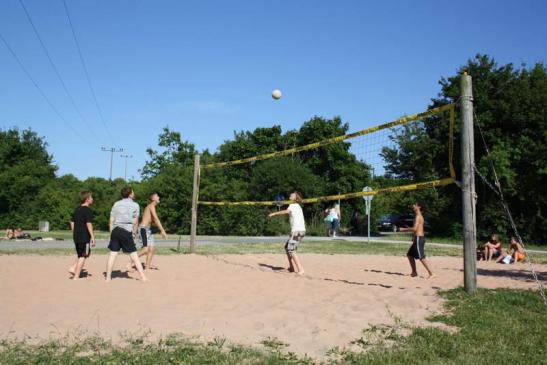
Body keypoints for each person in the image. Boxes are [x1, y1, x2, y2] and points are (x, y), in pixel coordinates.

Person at [105, 186, 147, 282]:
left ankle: (108, 278)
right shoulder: (135, 205)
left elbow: (111, 220)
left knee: (113, 254)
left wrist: (111, 232)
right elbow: (136, 222)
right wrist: (135, 233)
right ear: (130, 194)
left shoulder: (116, 204)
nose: (134, 193)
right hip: (126, 230)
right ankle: (143, 277)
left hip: (115, 230)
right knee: (134, 255)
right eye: (133, 192)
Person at [268, 191, 306, 275]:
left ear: (296, 198)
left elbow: (286, 212)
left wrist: (273, 213)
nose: (290, 195)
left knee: (291, 249)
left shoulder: (293, 205)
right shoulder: (297, 206)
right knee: (287, 247)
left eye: (292, 195)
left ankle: (301, 269)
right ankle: (291, 268)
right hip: (299, 231)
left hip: (297, 231)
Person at [130, 192, 168, 272]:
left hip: (148, 230)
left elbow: (152, 220)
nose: (159, 197)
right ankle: (130, 262)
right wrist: (163, 231)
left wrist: (158, 229)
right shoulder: (151, 206)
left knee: (152, 249)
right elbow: (156, 219)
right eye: (157, 196)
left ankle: (147, 268)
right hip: (143, 229)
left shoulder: (152, 207)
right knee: (146, 249)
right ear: (153, 198)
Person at [399, 202, 435, 279]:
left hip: (419, 238)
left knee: (421, 257)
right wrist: (413, 237)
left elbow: (415, 228)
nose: (413, 206)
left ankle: (432, 273)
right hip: (417, 238)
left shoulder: (418, 216)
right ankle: (414, 272)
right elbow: (417, 229)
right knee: (409, 255)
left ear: (419, 207)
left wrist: (403, 229)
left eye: (415, 205)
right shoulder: (417, 216)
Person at [68, 191, 96, 280]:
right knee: (83, 256)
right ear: (87, 199)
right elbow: (89, 224)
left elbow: (72, 222)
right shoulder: (88, 210)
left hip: (76, 236)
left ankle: (73, 268)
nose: (92, 199)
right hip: (84, 237)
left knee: (81, 254)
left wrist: (74, 232)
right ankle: (76, 276)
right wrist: (92, 237)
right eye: (91, 197)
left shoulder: (77, 209)